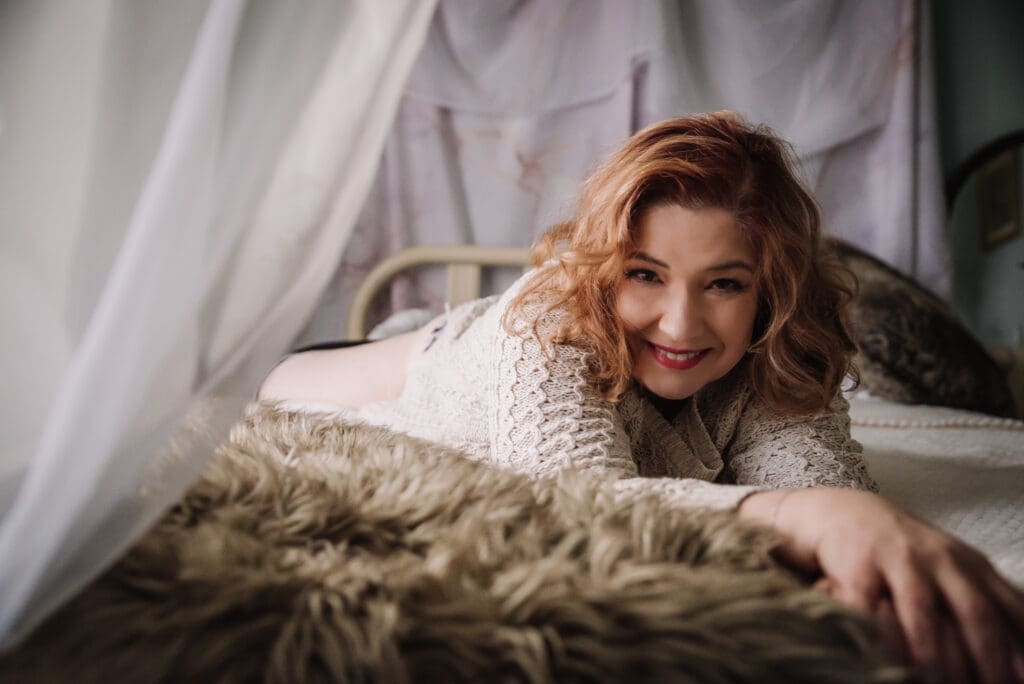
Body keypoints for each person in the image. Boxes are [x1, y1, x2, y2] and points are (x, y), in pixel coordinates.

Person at [261, 111, 1024, 682]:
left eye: (724, 283)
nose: (682, 323)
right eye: (646, 274)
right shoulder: (549, 320)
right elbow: (583, 500)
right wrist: (807, 517)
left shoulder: (773, 342)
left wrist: (846, 551)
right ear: (603, 268)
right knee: (262, 382)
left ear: (769, 291)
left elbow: (816, 483)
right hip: (403, 356)